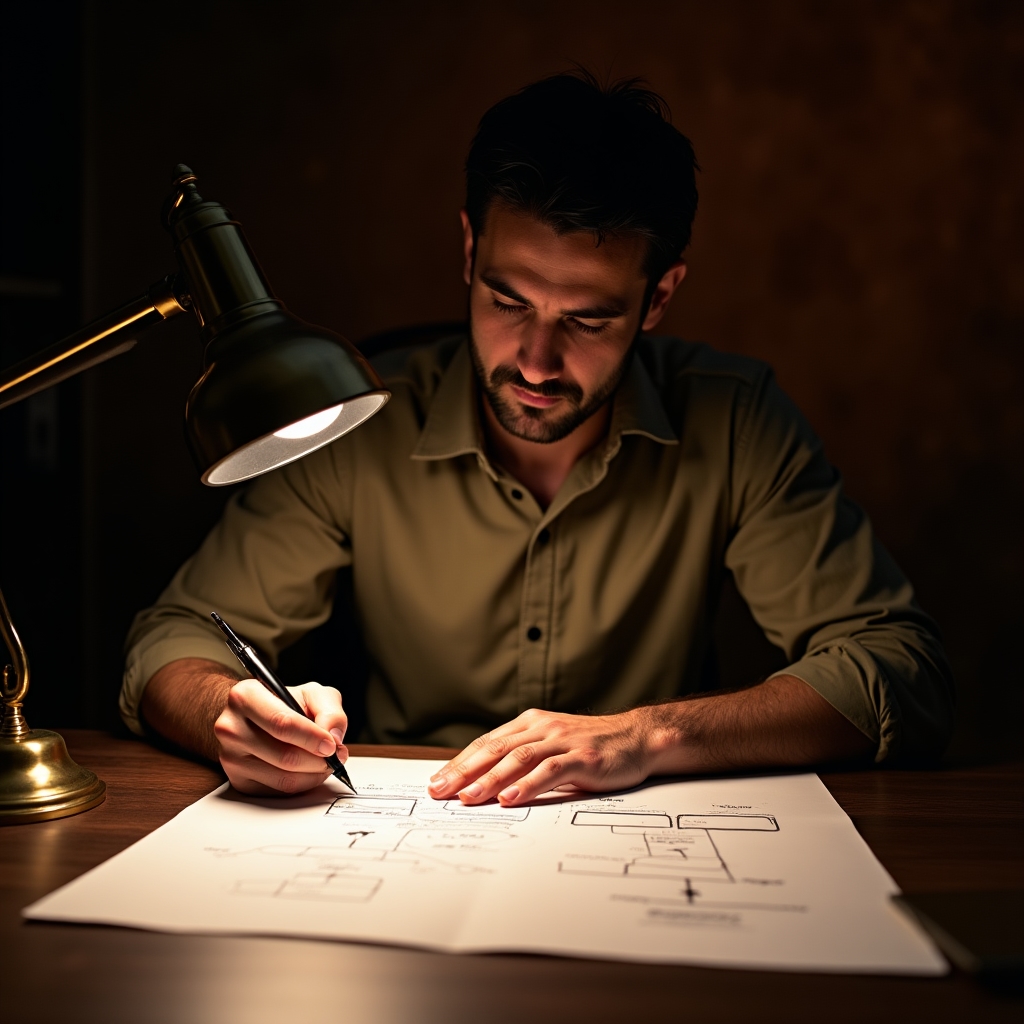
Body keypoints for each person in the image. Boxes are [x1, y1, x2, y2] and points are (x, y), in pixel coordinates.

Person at [122, 71, 954, 805]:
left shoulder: (734, 421)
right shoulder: (358, 422)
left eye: (588, 319)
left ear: (658, 299)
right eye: (508, 300)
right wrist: (231, 716)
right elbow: (175, 639)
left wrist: (649, 736)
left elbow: (898, 668)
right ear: (468, 249)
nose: (536, 360)